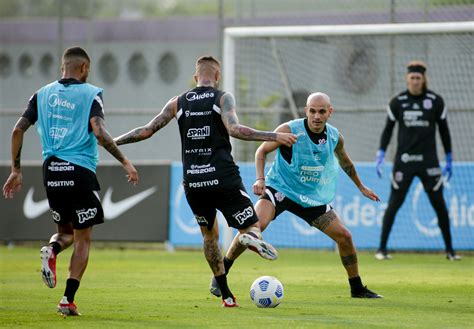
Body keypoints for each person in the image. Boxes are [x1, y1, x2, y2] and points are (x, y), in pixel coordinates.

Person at [114, 55, 297, 307]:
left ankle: (226, 296)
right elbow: (234, 129)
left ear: (195, 77)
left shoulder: (177, 102)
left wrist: (113, 142)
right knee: (251, 226)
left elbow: (147, 130)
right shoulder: (223, 97)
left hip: (194, 182)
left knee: (209, 237)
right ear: (217, 76)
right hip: (223, 176)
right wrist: (273, 135)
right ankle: (248, 236)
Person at [2, 47, 139, 316]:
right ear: (84, 68)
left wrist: (16, 170)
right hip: (80, 171)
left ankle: (51, 249)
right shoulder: (91, 93)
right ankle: (67, 299)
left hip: (51, 171)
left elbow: (18, 129)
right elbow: (99, 132)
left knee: (64, 233)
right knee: (82, 238)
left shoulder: (41, 94)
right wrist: (125, 161)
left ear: (62, 67)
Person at [211, 92, 383, 299]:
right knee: (254, 227)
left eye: (321, 112)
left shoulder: (335, 137)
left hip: (311, 197)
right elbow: (261, 152)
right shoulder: (289, 130)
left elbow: (346, 162)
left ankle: (357, 288)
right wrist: (260, 179)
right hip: (280, 189)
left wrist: (361, 187)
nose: (316, 116)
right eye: (312, 111)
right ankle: (221, 274)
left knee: (345, 236)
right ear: (306, 111)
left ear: (330, 112)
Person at [374, 60, 460, 261]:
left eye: (418, 78)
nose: (414, 81)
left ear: (423, 79)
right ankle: (381, 249)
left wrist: (448, 156)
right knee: (394, 204)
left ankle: (450, 251)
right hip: (404, 162)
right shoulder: (398, 102)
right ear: (407, 79)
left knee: (439, 206)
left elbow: (444, 131)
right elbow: (388, 130)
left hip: (429, 162)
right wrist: (380, 153)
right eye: (412, 78)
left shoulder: (435, 101)